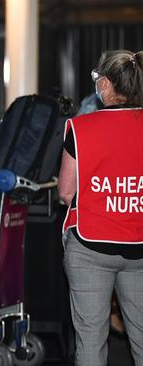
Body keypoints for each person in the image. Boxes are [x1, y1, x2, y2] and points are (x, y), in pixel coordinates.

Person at [58, 49, 143, 366]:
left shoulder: (80, 128)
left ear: (105, 84)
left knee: (91, 343)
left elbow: (67, 192)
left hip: (90, 245)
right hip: (140, 246)